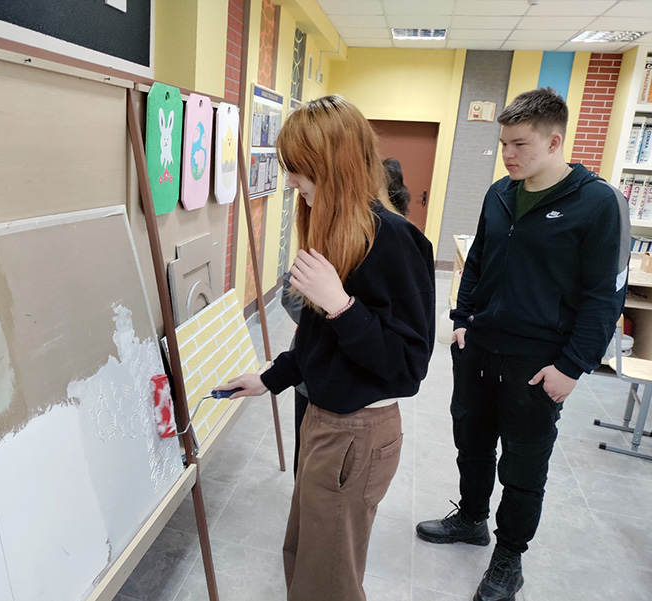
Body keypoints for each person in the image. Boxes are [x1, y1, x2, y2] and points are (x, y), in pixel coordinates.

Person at [217, 95, 436, 601]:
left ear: (332, 164)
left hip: (357, 432)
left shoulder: (395, 241)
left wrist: (341, 305)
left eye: (299, 168)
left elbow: (407, 366)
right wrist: (270, 378)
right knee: (304, 556)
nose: (292, 180)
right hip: (322, 419)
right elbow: (318, 340)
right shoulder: (335, 230)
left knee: (328, 580)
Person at [415, 87, 630, 601]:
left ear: (554, 142)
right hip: (479, 348)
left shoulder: (599, 203)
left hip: (538, 362)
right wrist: (461, 319)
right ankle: (471, 518)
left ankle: (508, 558)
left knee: (523, 464)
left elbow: (605, 296)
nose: (508, 155)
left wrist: (573, 366)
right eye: (504, 144)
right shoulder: (500, 193)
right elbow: (477, 262)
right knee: (471, 443)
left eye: (520, 144)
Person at [280, 272, 309, 477]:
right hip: (307, 373)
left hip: (359, 391)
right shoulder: (317, 255)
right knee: (305, 446)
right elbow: (290, 296)